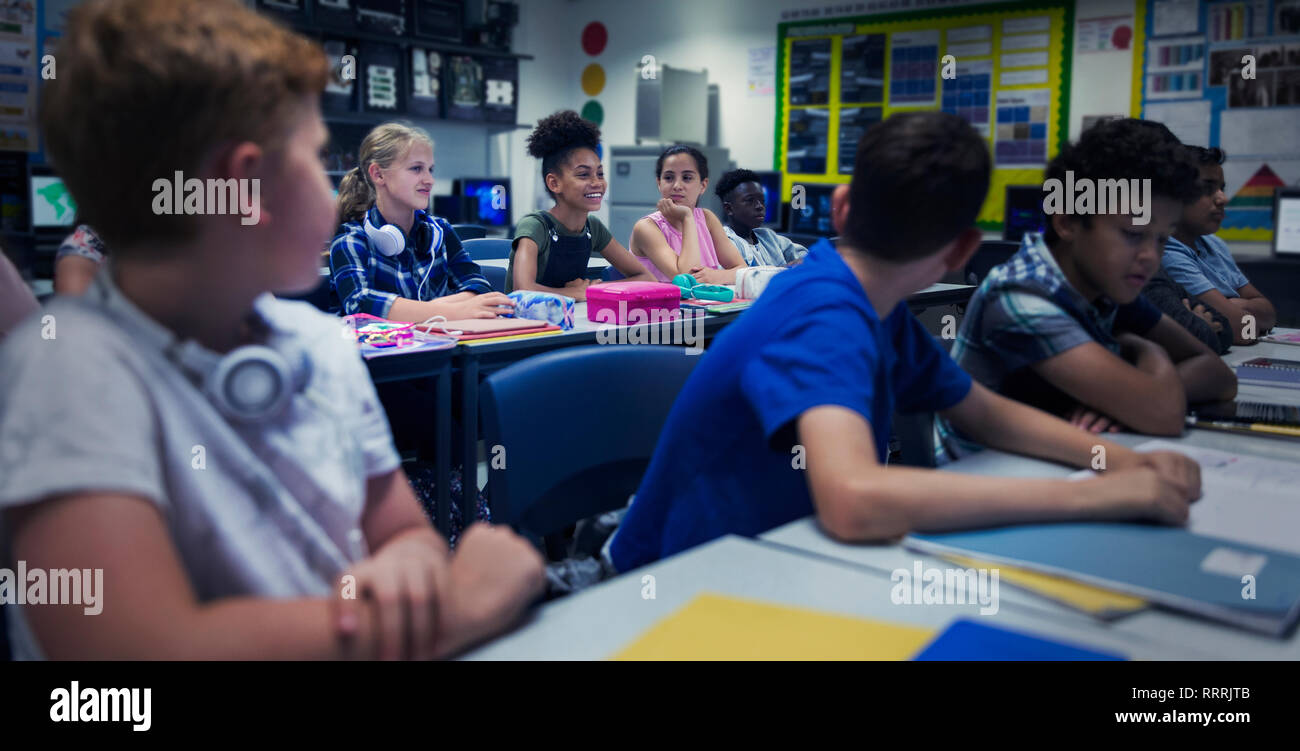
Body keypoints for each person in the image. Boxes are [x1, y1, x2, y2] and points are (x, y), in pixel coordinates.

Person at [1, 0, 543, 660]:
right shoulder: (68, 372)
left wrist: (411, 570)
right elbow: (139, 656)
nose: (330, 183)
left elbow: (406, 534)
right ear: (245, 181)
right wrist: (455, 608)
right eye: (316, 158)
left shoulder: (320, 344)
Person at [607, 112, 1202, 572]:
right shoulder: (824, 313)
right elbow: (854, 499)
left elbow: (983, 412)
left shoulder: (867, 299)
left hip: (766, 560)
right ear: (965, 249)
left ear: (840, 207)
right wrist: (1101, 496)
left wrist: (1124, 460)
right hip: (677, 587)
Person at [943, 119, 1236, 446]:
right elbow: (1164, 415)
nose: (1150, 257)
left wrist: (1124, 401)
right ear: (1068, 222)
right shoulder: (1021, 297)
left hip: (1053, 465)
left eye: (1162, 240)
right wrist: (1146, 350)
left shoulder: (1106, 285)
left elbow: (1219, 375)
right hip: (983, 480)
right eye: (1133, 234)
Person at [330, 122, 513, 322]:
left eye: (430, 170)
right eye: (416, 169)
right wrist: (453, 311)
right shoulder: (351, 238)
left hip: (448, 347)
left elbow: (478, 285)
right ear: (378, 174)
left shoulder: (439, 230)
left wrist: (424, 311)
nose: (429, 180)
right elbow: (360, 304)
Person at [508, 110, 653, 298]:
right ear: (554, 183)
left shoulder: (593, 227)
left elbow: (645, 277)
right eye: (583, 174)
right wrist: (572, 293)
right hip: (528, 323)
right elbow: (523, 289)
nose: (597, 182)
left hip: (572, 321)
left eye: (600, 174)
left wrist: (593, 291)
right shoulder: (535, 226)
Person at [1162, 146, 1277, 345]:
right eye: (1207, 188)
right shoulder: (1167, 252)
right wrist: (1246, 311)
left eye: (1222, 188)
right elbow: (1244, 331)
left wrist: (1232, 306)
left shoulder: (1212, 243)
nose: (1223, 198)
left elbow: (1270, 315)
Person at [629, 145, 747, 285]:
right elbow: (687, 281)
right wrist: (687, 218)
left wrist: (715, 276)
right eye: (668, 177)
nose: (677, 185)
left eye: (687, 177)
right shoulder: (646, 228)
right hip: (659, 307)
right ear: (659, 183)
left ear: (703, 186)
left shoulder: (708, 219)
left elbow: (742, 271)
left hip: (706, 305)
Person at [714, 168, 806, 267]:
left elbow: (806, 255)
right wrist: (786, 269)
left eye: (762, 200)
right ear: (729, 209)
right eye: (750, 200)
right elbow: (744, 277)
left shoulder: (767, 236)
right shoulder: (725, 243)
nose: (760, 206)